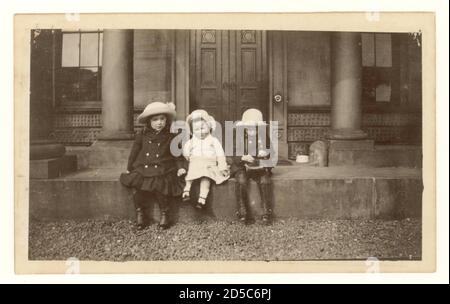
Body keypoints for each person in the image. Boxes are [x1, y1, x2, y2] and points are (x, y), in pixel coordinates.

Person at [120, 102, 187, 230]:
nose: (159, 122)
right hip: (144, 166)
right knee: (138, 188)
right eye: (155, 119)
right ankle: (140, 213)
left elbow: (177, 155)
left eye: (162, 119)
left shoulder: (171, 137)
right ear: (149, 122)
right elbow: (134, 152)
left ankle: (164, 213)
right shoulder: (142, 135)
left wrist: (180, 167)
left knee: (160, 187)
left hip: (163, 168)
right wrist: (129, 167)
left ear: (166, 120)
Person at [230, 108, 276, 225]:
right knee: (241, 180)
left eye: (255, 128)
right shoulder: (238, 136)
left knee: (265, 181)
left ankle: (266, 212)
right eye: (249, 128)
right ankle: (242, 212)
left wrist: (265, 153)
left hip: (259, 167)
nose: (252, 131)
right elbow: (232, 153)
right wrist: (242, 157)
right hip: (242, 166)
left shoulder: (263, 136)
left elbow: (271, 152)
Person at [182, 109, 229, 209]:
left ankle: (202, 198)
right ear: (192, 131)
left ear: (209, 126)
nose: (200, 132)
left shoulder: (213, 140)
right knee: (190, 175)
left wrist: (222, 167)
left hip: (209, 164)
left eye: (203, 128)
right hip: (196, 163)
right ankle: (186, 191)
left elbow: (220, 154)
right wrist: (188, 156)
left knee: (206, 178)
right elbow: (186, 152)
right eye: (196, 130)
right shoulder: (191, 142)